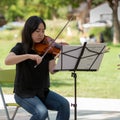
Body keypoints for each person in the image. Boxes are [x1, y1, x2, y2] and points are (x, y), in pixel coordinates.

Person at [5, 16, 70, 120]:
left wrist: (63, 61)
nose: (41, 34)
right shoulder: (21, 47)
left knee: (64, 105)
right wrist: (29, 56)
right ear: (29, 31)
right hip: (24, 93)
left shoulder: (47, 49)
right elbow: (7, 61)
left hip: (42, 92)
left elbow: (52, 70)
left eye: (43, 31)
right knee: (41, 112)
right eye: (37, 31)